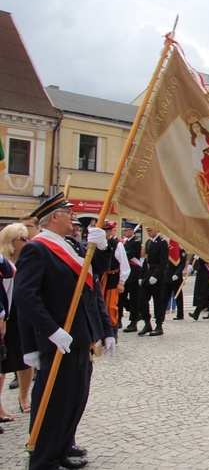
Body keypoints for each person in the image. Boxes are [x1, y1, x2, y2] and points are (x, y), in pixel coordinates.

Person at [14, 192, 115, 470]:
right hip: (59, 338)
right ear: (54, 217)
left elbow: (92, 281)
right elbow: (26, 296)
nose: (74, 218)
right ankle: (43, 458)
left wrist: (103, 248)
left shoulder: (70, 245)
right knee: (54, 401)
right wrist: (50, 331)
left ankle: (61, 448)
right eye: (69, 213)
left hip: (80, 336)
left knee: (74, 397)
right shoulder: (38, 248)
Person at [0, 223, 33, 423]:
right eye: (23, 239)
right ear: (11, 241)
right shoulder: (4, 262)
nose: (27, 242)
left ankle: (24, 396)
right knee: (2, 361)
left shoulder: (29, 259)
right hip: (5, 316)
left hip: (22, 313)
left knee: (25, 357)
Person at [136, 227, 169, 336]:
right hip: (147, 274)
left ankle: (159, 325)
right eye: (147, 230)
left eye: (150, 230)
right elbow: (145, 260)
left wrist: (156, 275)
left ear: (157, 230)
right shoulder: (148, 242)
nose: (148, 232)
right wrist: (141, 275)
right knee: (142, 300)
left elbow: (163, 262)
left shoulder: (162, 243)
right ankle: (147, 323)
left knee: (158, 301)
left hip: (157, 277)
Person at [100, 222, 130, 335]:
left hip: (112, 277)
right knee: (100, 304)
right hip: (102, 278)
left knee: (110, 305)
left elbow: (124, 264)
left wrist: (121, 281)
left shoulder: (117, 244)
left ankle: (112, 330)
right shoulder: (98, 243)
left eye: (106, 231)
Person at [121, 222, 143, 333]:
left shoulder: (136, 242)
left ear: (131, 230)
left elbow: (128, 255)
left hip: (134, 274)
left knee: (135, 299)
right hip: (126, 273)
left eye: (126, 230)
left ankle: (133, 322)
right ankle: (135, 313)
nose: (124, 232)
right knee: (122, 297)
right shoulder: (125, 242)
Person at [167, 240, 187, 320]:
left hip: (176, 277)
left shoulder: (181, 251)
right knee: (164, 296)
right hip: (168, 277)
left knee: (178, 297)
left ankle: (180, 315)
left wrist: (177, 273)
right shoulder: (169, 248)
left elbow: (182, 264)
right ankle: (161, 313)